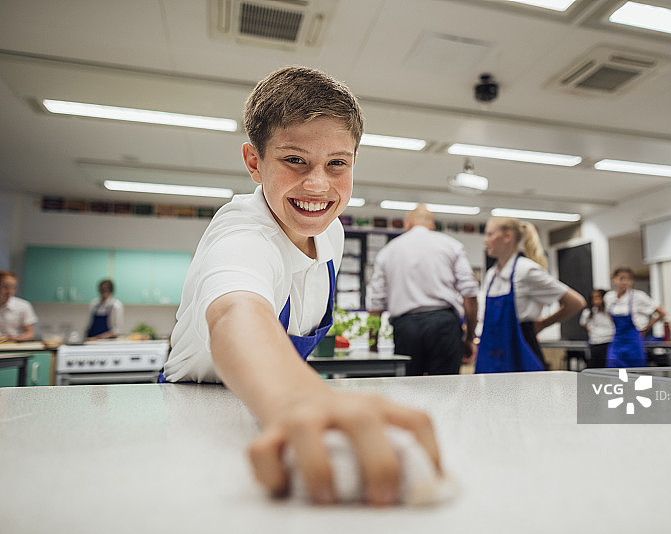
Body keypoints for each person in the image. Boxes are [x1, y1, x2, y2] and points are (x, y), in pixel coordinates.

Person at [162, 66, 439, 506]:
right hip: (195, 418)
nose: (317, 185)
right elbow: (238, 310)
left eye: (337, 164)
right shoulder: (241, 233)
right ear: (254, 162)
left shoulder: (331, 231)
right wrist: (298, 399)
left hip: (268, 414)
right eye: (295, 160)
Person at [365, 205, 479, 376]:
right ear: (432, 225)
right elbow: (469, 293)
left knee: (409, 392)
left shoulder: (388, 251)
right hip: (444, 326)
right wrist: (469, 337)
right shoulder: (451, 245)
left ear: (407, 223)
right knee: (446, 391)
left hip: (406, 329)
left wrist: (372, 345)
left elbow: (376, 303)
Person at [476, 217, 585, 373]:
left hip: (520, 351)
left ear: (508, 237)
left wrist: (542, 324)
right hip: (492, 352)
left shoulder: (526, 270)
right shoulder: (491, 275)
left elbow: (576, 303)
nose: (485, 241)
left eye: (490, 234)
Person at [604, 266, 667, 368]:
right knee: (613, 370)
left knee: (637, 373)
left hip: (633, 341)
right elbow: (609, 316)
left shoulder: (638, 296)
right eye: (621, 278)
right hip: (617, 340)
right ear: (614, 279)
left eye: (628, 279)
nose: (625, 282)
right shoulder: (609, 297)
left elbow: (662, 313)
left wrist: (645, 328)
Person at [579, 289, 614, 368]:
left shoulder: (610, 311)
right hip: (595, 343)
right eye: (594, 298)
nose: (596, 300)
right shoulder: (588, 312)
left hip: (609, 342)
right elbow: (584, 325)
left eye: (598, 297)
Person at [0, 270, 38, 342]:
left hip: (14, 348)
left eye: (13, 287)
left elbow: (30, 334)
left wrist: (16, 338)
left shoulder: (23, 306)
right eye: (5, 287)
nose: (10, 291)